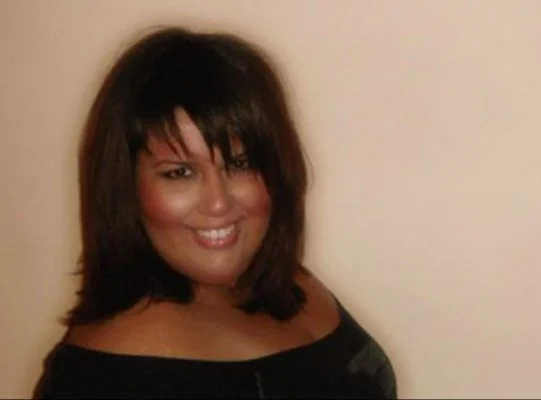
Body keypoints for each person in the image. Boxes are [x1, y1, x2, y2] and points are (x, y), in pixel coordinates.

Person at [34, 26, 397, 399]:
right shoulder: (104, 379)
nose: (218, 203)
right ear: (126, 187)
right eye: (180, 173)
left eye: (240, 164)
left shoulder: (289, 285)